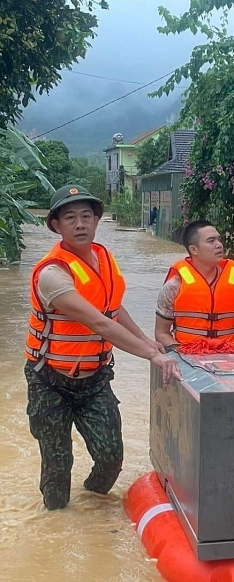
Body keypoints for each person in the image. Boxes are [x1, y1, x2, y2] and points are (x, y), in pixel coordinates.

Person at [25, 184, 181, 511]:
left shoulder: (104, 258)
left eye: (86, 216)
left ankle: (93, 509)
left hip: (94, 380)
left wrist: (146, 341)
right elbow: (99, 323)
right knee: (57, 468)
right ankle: (56, 528)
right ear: (56, 225)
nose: (80, 224)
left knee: (111, 460)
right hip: (50, 381)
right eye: (70, 218)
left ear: (97, 221)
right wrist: (150, 354)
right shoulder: (53, 273)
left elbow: (112, 309)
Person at [155, 219, 234, 348]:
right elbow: (161, 333)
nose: (219, 245)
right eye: (211, 241)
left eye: (219, 239)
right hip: (189, 357)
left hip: (230, 356)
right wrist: (179, 352)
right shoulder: (174, 285)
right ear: (194, 249)